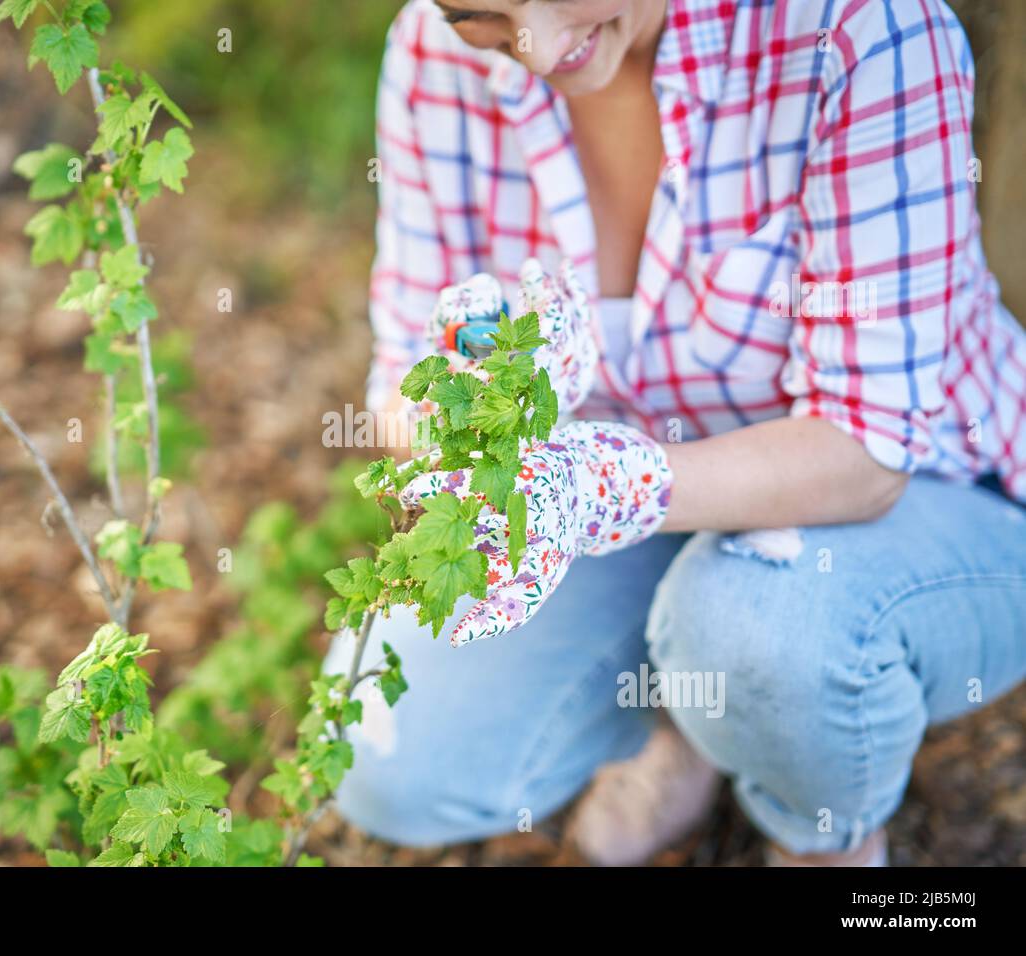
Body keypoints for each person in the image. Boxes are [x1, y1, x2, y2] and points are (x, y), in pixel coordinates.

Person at [325, 0, 1026, 866]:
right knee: (388, 762)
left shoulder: (859, 30)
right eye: (483, 16)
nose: (535, 50)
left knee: (760, 635)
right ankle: (686, 719)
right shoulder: (433, 55)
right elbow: (401, 372)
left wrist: (595, 489)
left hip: (907, 499)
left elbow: (866, 449)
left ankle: (821, 830)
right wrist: (461, 403)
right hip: (623, 512)